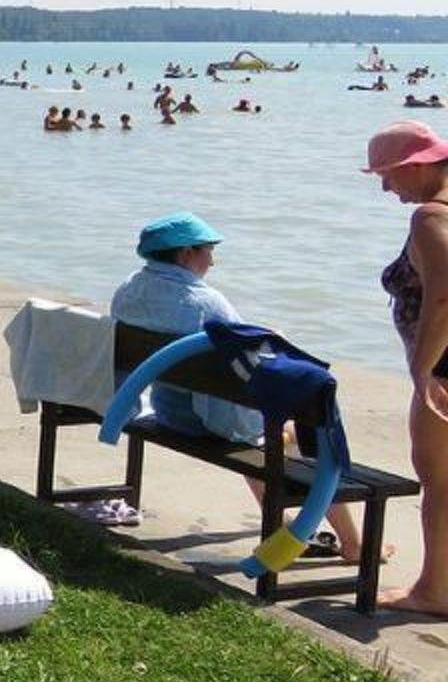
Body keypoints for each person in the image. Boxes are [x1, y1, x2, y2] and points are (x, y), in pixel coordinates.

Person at [112, 212, 369, 562]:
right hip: (208, 424)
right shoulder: (206, 302)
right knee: (311, 436)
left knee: (261, 435)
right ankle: (353, 544)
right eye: (208, 251)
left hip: (171, 414)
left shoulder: (128, 290)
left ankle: (280, 525)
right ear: (186, 253)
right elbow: (252, 359)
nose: (212, 261)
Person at [367, 122, 448, 612]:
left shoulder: (431, 216)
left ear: (416, 166)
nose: (384, 187)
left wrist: (423, 370)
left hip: (445, 367)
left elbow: (443, 296)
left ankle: (434, 591)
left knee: (440, 481)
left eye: (386, 174)